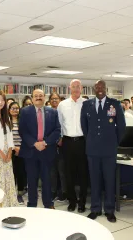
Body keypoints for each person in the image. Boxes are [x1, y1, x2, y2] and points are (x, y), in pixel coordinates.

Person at [81, 80, 126, 223]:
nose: (100, 89)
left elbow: (122, 127)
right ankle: (95, 209)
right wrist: (91, 140)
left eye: (102, 87)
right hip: (92, 150)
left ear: (106, 89)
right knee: (94, 181)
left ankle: (109, 210)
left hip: (109, 150)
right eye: (97, 87)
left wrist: (114, 143)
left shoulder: (115, 104)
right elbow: (84, 126)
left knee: (109, 181)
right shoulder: (86, 104)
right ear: (94, 89)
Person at [19, 89, 61, 208]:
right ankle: (32, 205)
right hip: (31, 151)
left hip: (47, 151)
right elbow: (23, 131)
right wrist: (34, 143)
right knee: (32, 180)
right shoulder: (25, 112)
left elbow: (57, 130)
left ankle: (48, 204)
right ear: (32, 98)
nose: (38, 97)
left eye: (41, 96)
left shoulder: (52, 112)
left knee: (47, 180)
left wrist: (45, 142)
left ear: (44, 98)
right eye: (36, 96)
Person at [57, 79, 88, 213]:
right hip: (67, 142)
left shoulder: (87, 104)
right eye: (73, 86)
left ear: (81, 88)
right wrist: (60, 138)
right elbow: (59, 123)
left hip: (83, 142)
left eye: (78, 86)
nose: (75, 89)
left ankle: (82, 202)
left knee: (83, 174)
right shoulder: (62, 105)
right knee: (68, 173)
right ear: (70, 88)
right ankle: (72, 201)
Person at [49, 92, 67, 202]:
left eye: (56, 98)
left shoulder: (63, 112)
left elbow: (65, 127)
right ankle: (53, 191)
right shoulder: (47, 112)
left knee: (62, 171)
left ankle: (63, 192)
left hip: (62, 144)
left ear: (60, 100)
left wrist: (61, 138)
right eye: (52, 99)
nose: (54, 100)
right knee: (52, 171)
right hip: (50, 145)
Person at [8, 101, 27, 205]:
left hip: (22, 149)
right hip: (10, 150)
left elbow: (26, 135)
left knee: (21, 172)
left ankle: (19, 193)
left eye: (16, 108)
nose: (14, 110)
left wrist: (20, 148)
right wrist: (14, 148)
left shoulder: (22, 121)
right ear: (9, 110)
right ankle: (11, 193)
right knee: (12, 172)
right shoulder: (6, 121)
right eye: (12, 108)